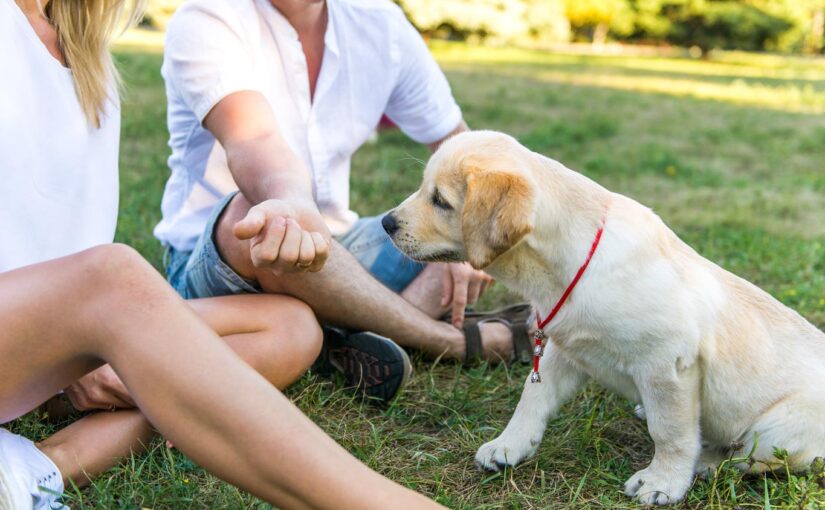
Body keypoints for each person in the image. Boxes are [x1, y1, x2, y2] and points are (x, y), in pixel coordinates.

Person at [0, 1, 442, 508]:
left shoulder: (82, 51)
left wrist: (65, 338)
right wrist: (61, 325)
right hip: (42, 319)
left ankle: (33, 467)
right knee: (115, 277)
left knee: (291, 328)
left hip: (45, 327)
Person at [152, 0, 535, 398]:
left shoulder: (380, 22)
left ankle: (334, 339)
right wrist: (294, 207)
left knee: (456, 232)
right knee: (264, 218)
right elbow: (254, 141)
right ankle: (443, 340)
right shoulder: (208, 17)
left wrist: (469, 234)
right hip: (224, 263)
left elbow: (460, 145)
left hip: (338, 249)